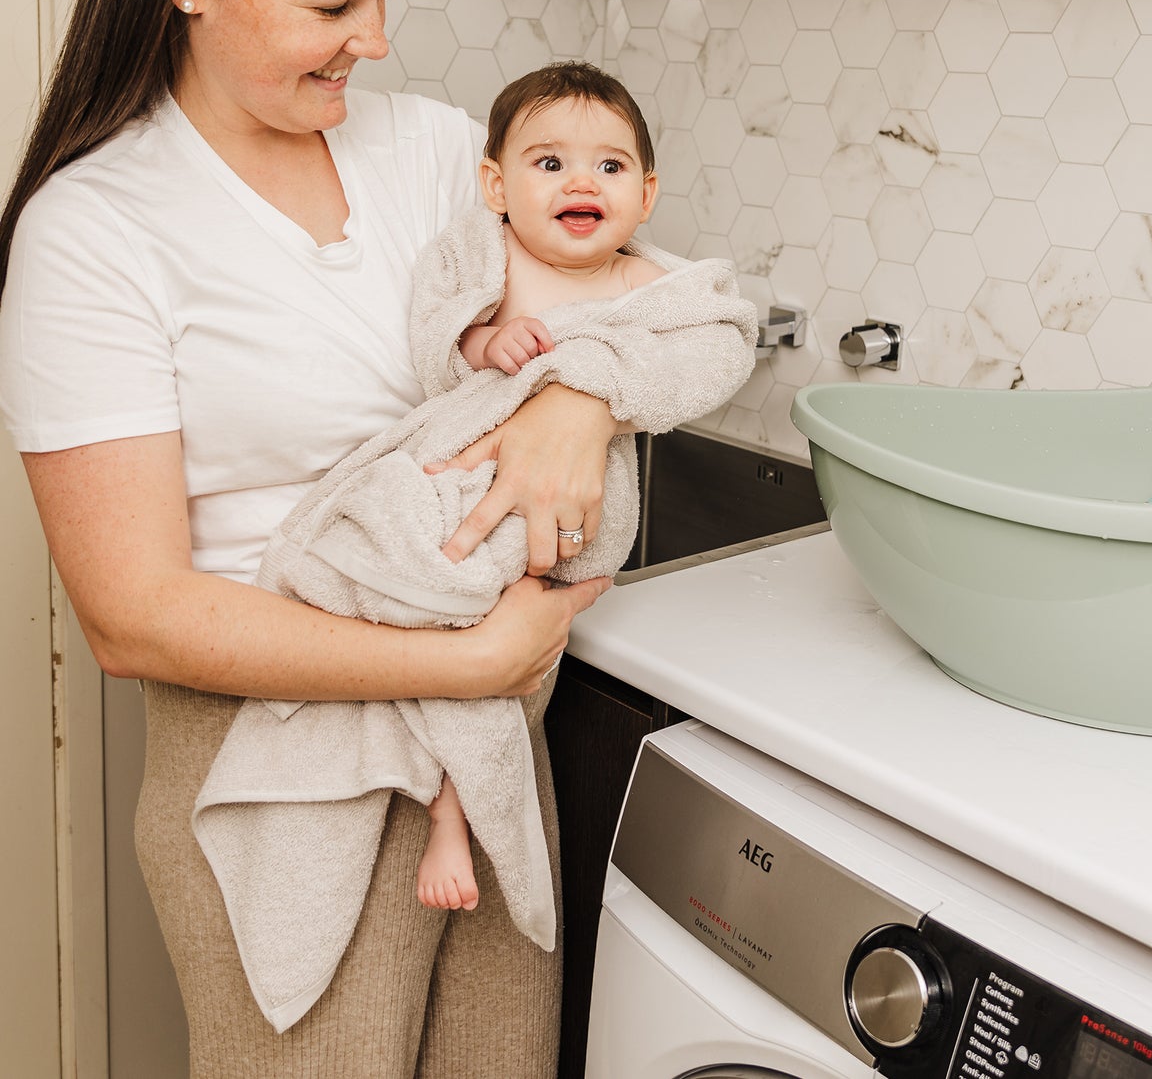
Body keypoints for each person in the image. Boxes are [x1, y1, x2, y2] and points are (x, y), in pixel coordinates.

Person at [0, 0, 714, 1078]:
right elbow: (130, 613)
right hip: (281, 760)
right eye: (338, 0)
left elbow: (621, 311)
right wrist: (466, 664)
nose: (377, 39)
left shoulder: (439, 152)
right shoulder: (94, 230)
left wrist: (576, 400)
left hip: (483, 745)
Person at [191, 61, 756, 1032]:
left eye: (610, 164)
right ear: (496, 185)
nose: (582, 182)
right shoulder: (481, 259)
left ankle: (453, 812)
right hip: (456, 478)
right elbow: (431, 343)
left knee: (506, 659)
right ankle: (416, 766)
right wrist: (480, 347)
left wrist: (587, 376)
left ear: (646, 193)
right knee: (422, 583)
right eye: (548, 161)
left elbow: (724, 340)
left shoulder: (649, 283)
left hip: (560, 529)